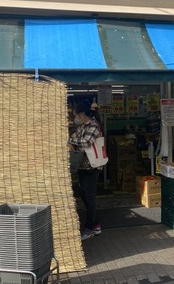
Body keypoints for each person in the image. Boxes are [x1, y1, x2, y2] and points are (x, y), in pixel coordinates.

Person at [68, 99, 103, 240]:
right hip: (83, 166)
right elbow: (73, 137)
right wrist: (70, 141)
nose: (75, 118)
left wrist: (71, 142)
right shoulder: (82, 126)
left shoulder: (93, 125)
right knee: (85, 196)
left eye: (76, 115)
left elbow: (87, 142)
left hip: (92, 166)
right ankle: (95, 224)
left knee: (89, 197)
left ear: (82, 114)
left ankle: (90, 227)